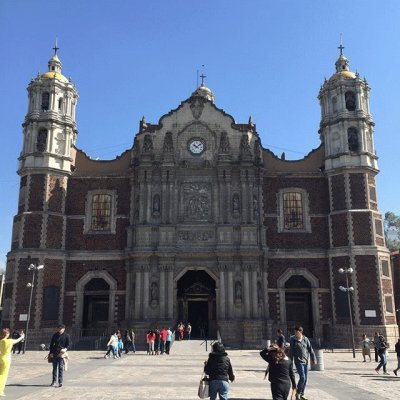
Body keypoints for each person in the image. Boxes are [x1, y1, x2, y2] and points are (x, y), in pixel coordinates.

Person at [289, 326, 316, 400]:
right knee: (302, 377)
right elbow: (291, 352)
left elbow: (310, 349)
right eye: (294, 332)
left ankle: (301, 394)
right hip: (298, 361)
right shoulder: (293, 339)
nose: (295, 333)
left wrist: (314, 359)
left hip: (306, 361)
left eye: (296, 332)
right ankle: (297, 392)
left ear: (300, 332)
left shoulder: (305, 339)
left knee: (305, 379)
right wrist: (290, 362)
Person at [0, 328, 25, 396]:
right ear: (7, 334)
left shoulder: (1, 341)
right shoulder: (9, 341)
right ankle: (0, 391)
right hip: (6, 359)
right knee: (3, 375)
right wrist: (22, 336)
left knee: (0, 374)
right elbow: (17, 340)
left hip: (1, 358)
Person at [49, 323, 70, 387]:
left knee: (60, 367)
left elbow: (68, 345)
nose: (59, 330)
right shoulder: (55, 335)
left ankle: (60, 381)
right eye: (58, 328)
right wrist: (51, 353)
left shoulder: (67, 336)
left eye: (61, 328)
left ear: (64, 329)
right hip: (55, 352)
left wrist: (65, 349)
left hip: (62, 353)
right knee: (54, 367)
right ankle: (54, 381)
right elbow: (51, 344)